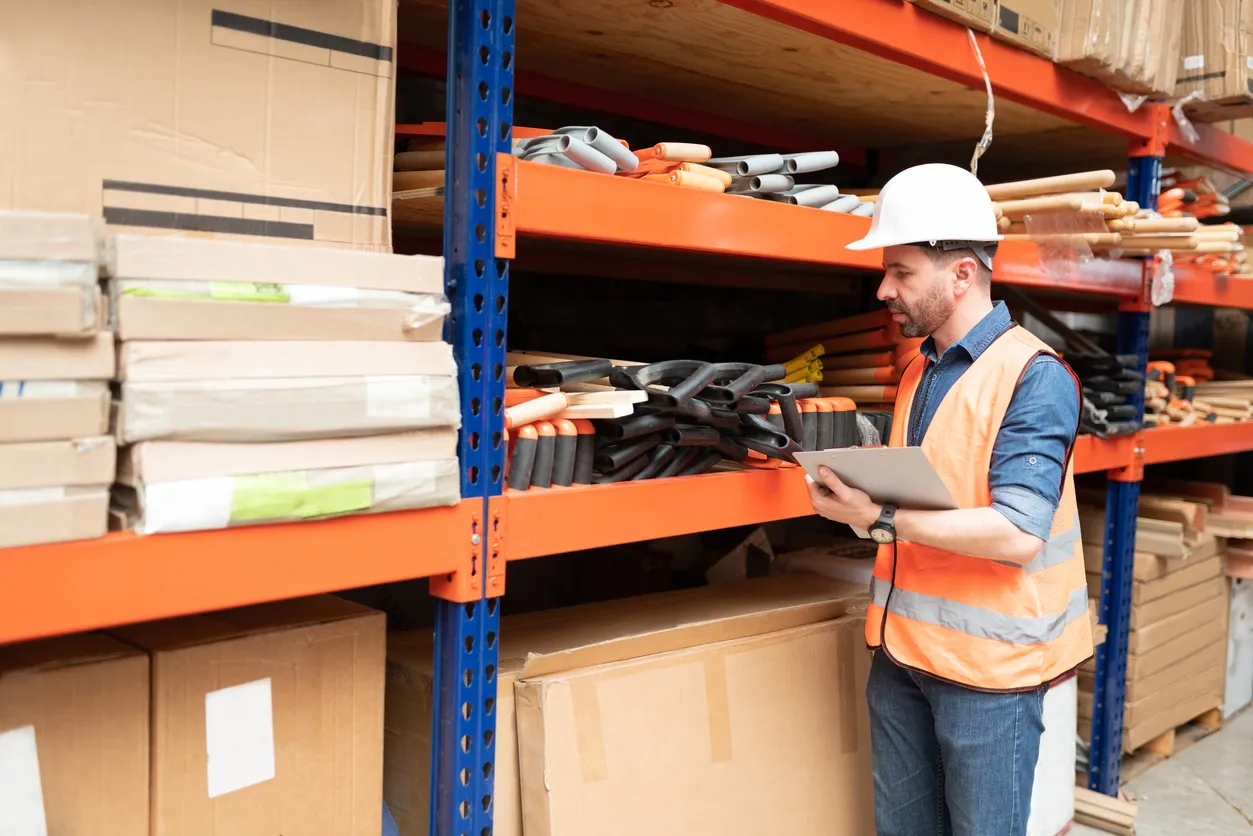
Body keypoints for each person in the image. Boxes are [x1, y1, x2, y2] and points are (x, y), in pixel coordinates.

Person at [804, 163, 1093, 836]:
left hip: (986, 677)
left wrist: (874, 516)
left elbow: (1018, 533)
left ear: (961, 273)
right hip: (903, 657)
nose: (883, 289)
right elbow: (933, 488)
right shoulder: (918, 372)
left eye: (900, 272)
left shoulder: (1033, 377)